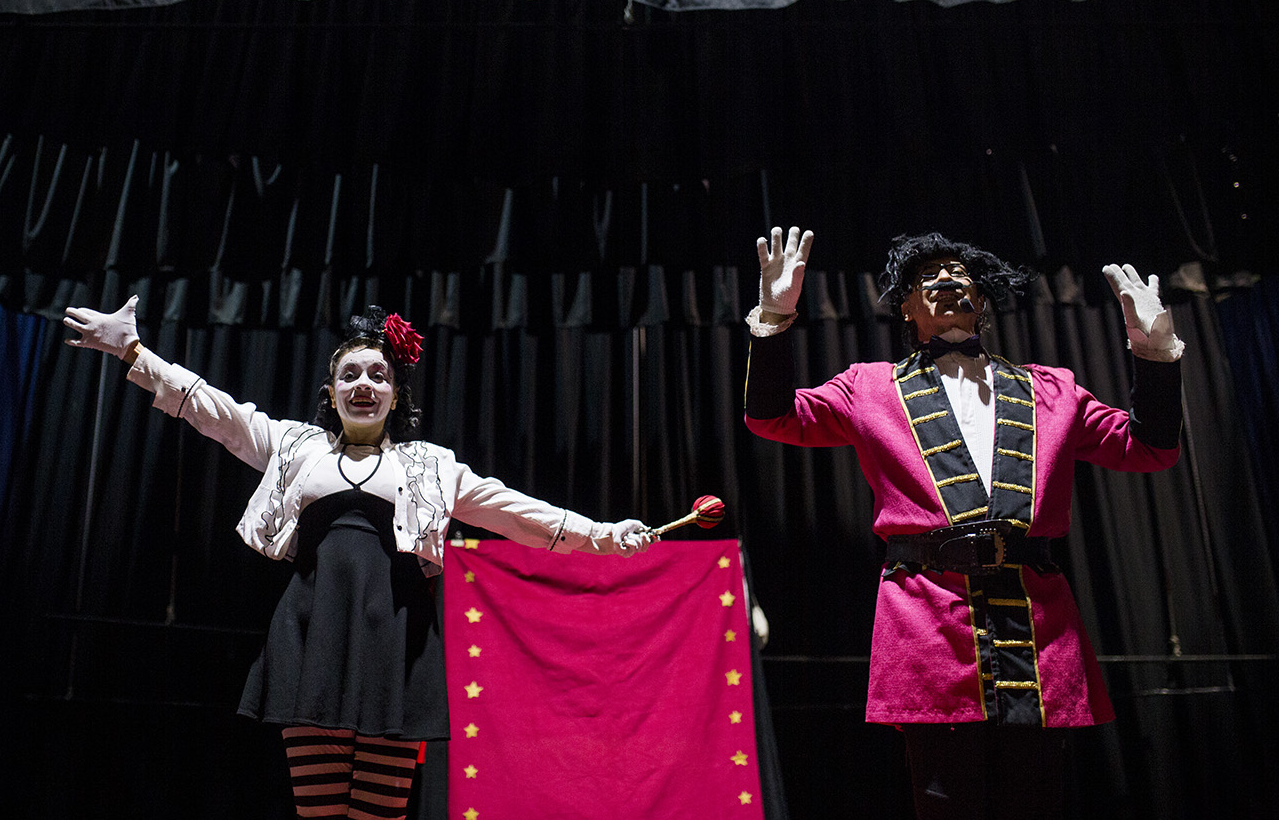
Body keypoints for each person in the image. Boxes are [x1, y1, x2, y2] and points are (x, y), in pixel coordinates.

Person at [62, 298, 657, 820]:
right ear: (332, 391)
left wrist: (603, 536)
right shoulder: (296, 446)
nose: (364, 384)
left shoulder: (431, 466)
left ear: (396, 394)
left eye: (378, 375)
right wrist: (134, 353)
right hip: (311, 641)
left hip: (395, 647)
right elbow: (213, 411)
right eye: (350, 375)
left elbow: (518, 512)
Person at [743, 228, 1184, 820]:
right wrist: (774, 318)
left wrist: (1155, 353)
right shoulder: (867, 388)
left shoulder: (1052, 390)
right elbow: (771, 416)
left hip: (1037, 623)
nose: (947, 280)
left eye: (959, 273)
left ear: (982, 298)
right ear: (906, 306)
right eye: (928, 277)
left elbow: (1151, 447)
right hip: (928, 621)